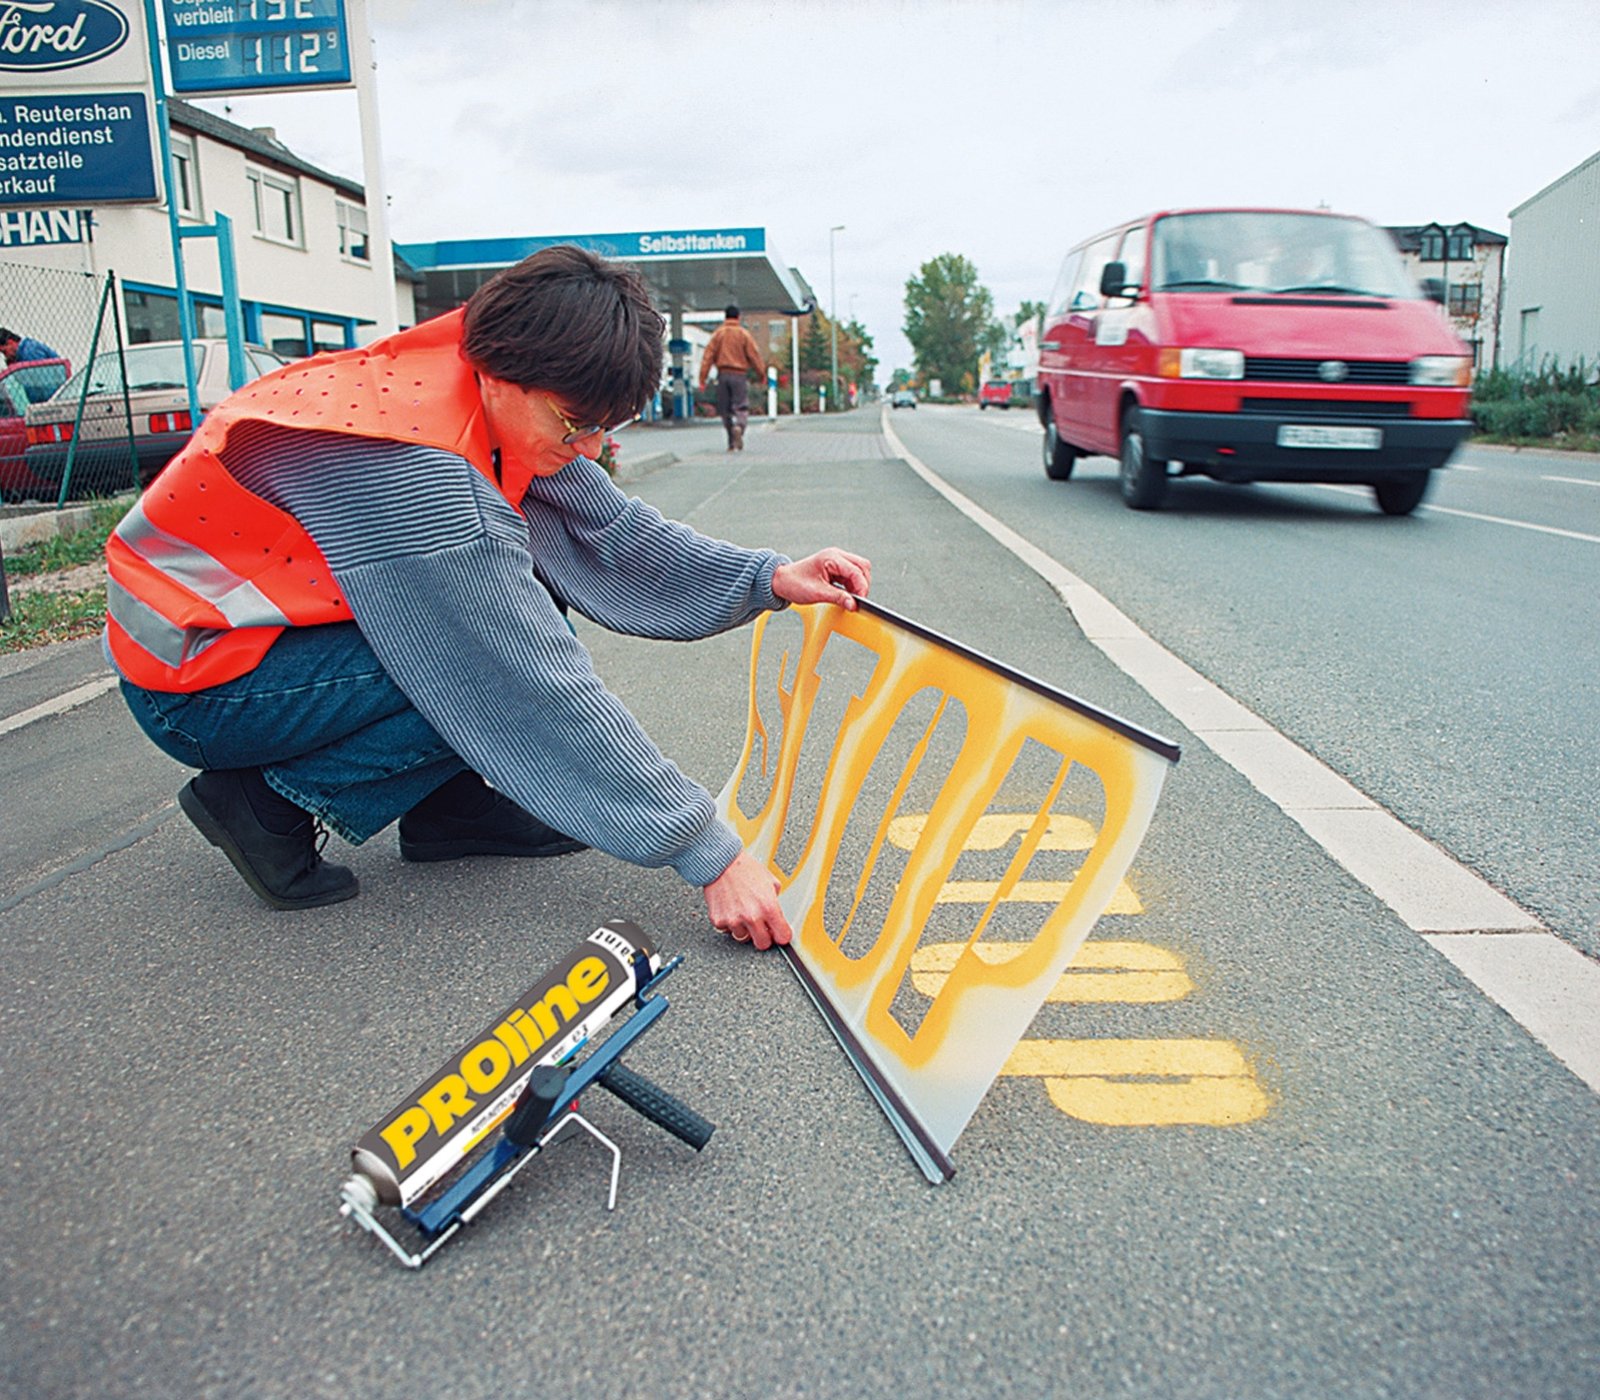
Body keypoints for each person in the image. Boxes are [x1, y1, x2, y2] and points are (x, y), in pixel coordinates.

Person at [104, 246, 869, 951]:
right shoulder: (420, 465)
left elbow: (608, 532)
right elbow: (525, 681)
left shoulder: (479, 373)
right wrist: (709, 853)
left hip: (251, 641)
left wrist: (767, 578)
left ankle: (452, 810)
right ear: (505, 376)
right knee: (481, 645)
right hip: (198, 684)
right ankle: (267, 800)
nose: (592, 447)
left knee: (517, 592)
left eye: (608, 426)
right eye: (578, 424)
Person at [697, 304, 765, 451]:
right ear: (738, 317)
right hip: (739, 375)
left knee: (725, 409)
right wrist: (762, 374)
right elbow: (754, 356)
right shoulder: (743, 334)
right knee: (741, 406)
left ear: (725, 317)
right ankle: (739, 427)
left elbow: (707, 357)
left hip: (723, 375)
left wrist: (702, 379)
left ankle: (730, 442)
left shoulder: (718, 334)